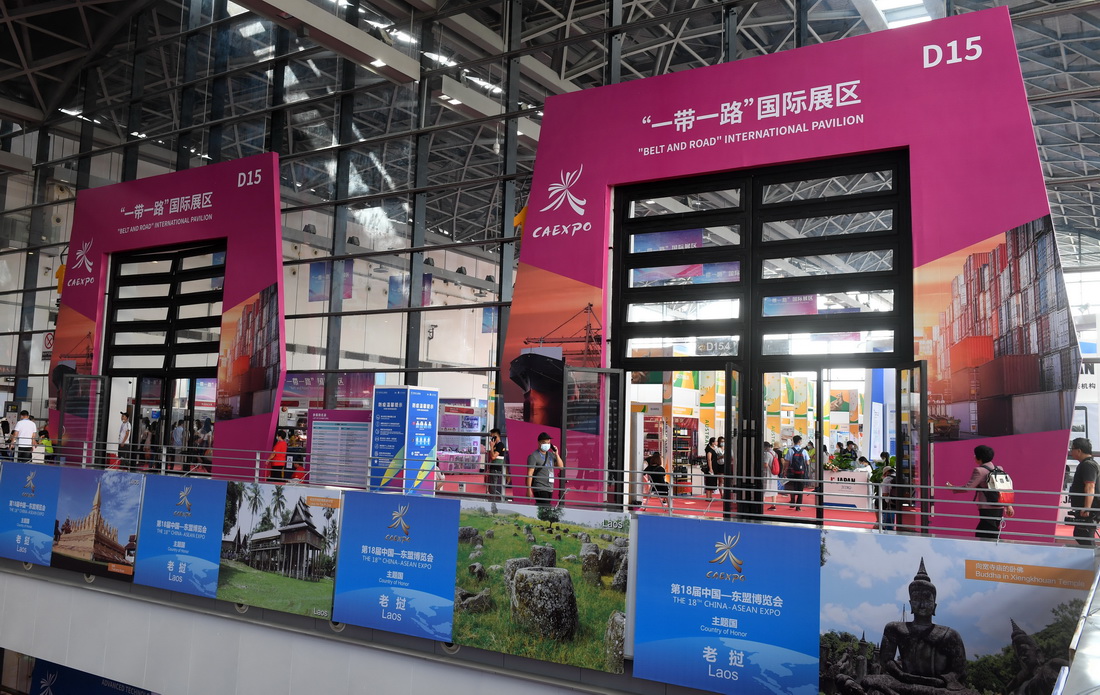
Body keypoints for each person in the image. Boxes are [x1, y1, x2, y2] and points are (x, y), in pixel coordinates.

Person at [837, 560, 978, 695]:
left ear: (934, 605)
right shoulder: (895, 629)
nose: (922, 604)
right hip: (904, 682)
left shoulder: (950, 634)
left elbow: (959, 672)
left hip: (936, 687)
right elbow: (886, 661)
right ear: (910, 604)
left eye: (927, 598)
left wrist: (938, 681)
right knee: (869, 680)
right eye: (917, 599)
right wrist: (902, 675)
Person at [946, 444, 1013, 540]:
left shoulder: (979, 471)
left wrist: (952, 488)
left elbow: (968, 488)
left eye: (975, 454)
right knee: (986, 531)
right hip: (999, 505)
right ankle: (996, 546)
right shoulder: (999, 468)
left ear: (979, 458)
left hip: (987, 506)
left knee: (989, 532)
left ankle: (1003, 546)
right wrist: (1008, 505)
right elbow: (1005, 487)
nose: (973, 456)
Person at [1068, 437, 1098, 546]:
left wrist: (1087, 508)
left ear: (1079, 451)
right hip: (1085, 509)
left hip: (1087, 510)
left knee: (1084, 535)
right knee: (1081, 534)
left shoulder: (1087, 465)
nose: (1071, 451)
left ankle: (1092, 555)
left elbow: (1090, 486)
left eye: (1072, 449)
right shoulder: (1087, 464)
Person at [526, 431, 564, 505]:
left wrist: (557, 454)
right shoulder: (534, 456)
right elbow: (530, 473)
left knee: (544, 508)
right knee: (545, 507)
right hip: (540, 487)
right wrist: (529, 489)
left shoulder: (550, 454)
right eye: (544, 442)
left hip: (550, 487)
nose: (547, 444)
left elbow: (561, 467)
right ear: (539, 443)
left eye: (548, 443)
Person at [784, 435, 809, 511]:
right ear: (799, 442)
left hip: (792, 472)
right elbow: (807, 462)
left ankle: (792, 501)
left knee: (792, 487)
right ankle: (798, 506)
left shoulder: (790, 450)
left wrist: (784, 471)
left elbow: (787, 462)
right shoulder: (804, 451)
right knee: (800, 488)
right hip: (801, 472)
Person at [486, 428, 507, 501]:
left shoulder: (500, 445)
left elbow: (493, 457)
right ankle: (498, 499)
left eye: (492, 437)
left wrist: (491, 447)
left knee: (492, 488)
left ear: (496, 436)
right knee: (491, 487)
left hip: (496, 469)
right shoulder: (496, 445)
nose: (491, 439)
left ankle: (501, 499)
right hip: (493, 468)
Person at [763, 441, 780, 510]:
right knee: (773, 489)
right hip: (774, 473)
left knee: (764, 489)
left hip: (767, 473)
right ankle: (773, 505)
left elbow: (765, 464)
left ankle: (761, 504)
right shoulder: (774, 453)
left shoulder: (767, 454)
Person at [880, 466, 897, 532]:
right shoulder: (900, 476)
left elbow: (885, 493)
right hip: (901, 501)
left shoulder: (887, 479)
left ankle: (888, 528)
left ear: (886, 472)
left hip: (891, 502)